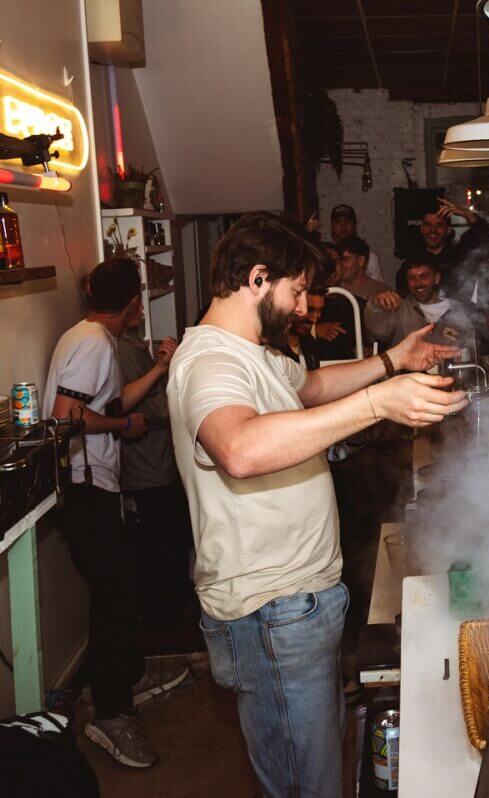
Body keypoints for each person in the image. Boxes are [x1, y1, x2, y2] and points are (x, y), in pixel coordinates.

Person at [167, 211, 467, 796]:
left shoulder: (259, 353)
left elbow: (308, 390)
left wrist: (392, 362)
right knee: (309, 786)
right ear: (257, 279)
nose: (305, 307)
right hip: (272, 607)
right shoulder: (211, 361)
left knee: (323, 762)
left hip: (302, 601)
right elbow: (239, 448)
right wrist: (379, 404)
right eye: (298, 290)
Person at [45, 257, 185, 768]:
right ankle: (110, 713)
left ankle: (120, 675)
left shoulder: (89, 337)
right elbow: (68, 416)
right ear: (132, 304)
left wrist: (157, 371)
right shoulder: (91, 342)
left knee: (118, 589)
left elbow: (109, 400)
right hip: (84, 487)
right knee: (117, 593)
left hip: (94, 484)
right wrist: (122, 430)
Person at [116, 328, 196, 639]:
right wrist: (171, 369)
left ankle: (168, 622)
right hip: (147, 471)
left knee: (167, 549)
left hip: (156, 466)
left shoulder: (130, 343)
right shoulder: (123, 349)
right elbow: (156, 410)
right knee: (159, 553)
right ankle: (162, 631)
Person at [311, 236, 400, 362]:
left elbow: (378, 338)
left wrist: (367, 350)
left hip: (352, 375)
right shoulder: (303, 302)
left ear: (342, 267)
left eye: (335, 262)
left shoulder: (357, 304)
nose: (330, 268)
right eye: (325, 262)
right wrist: (314, 331)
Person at [366, 258, 476, 350]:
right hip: (410, 375)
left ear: (436, 278)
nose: (418, 283)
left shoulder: (458, 310)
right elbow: (377, 332)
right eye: (412, 278)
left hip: (450, 373)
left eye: (424, 277)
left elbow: (471, 348)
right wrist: (376, 305)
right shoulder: (400, 309)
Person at [401, 197, 489, 293]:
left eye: (439, 225)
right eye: (428, 225)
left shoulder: (461, 256)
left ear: (448, 230)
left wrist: (469, 215)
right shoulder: (412, 261)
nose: (433, 230)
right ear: (422, 229)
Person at [325, 203, 384, 282]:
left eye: (347, 221)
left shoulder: (371, 257)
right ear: (332, 226)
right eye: (338, 222)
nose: (343, 227)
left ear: (355, 225)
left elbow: (378, 289)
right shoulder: (326, 256)